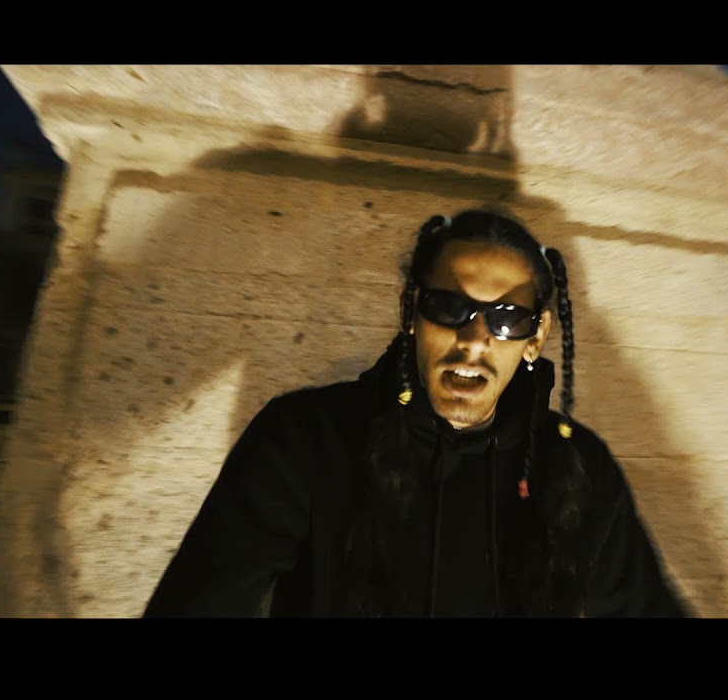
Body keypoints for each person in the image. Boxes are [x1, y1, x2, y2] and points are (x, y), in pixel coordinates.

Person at [142, 206, 691, 618]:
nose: (474, 339)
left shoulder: (580, 467)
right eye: (449, 307)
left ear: (536, 336)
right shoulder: (304, 438)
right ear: (411, 311)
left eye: (506, 318)